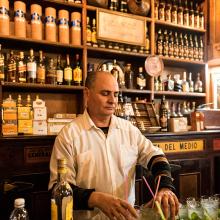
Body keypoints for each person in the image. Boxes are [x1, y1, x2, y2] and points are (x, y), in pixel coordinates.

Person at [49, 71, 179, 220]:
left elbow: (156, 156)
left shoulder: (129, 129)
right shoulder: (68, 135)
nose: (112, 100)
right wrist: (96, 199)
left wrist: (165, 187)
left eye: (116, 94)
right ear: (87, 94)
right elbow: (57, 190)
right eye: (105, 93)